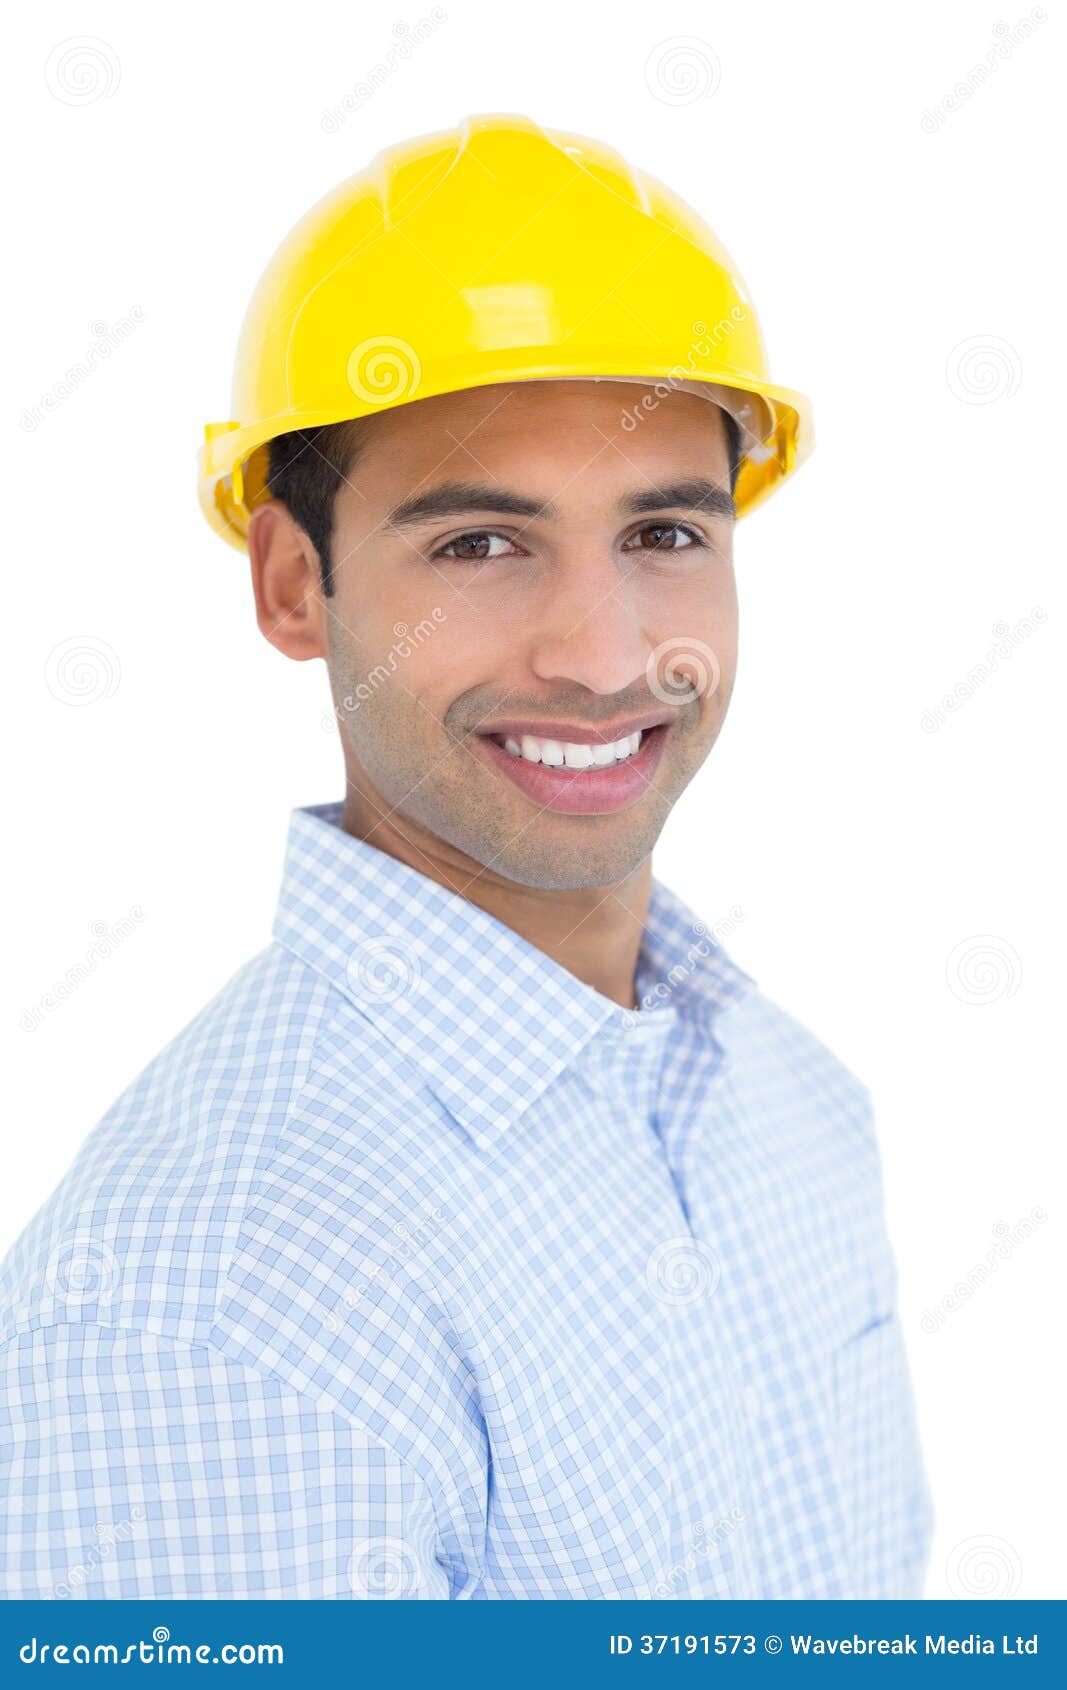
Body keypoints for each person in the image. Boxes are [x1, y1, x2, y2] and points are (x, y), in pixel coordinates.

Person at [0, 113, 932, 1600]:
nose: (603, 653)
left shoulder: (794, 1107)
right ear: (296, 584)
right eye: (481, 546)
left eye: (666, 534)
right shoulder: (207, 1304)